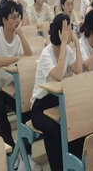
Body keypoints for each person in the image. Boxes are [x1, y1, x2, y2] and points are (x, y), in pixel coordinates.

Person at [0, 1, 35, 169]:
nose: (17, 20)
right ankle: (11, 152)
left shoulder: (17, 36)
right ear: (4, 20)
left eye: (18, 16)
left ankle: (27, 154)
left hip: (10, 87)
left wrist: (21, 34)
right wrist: (16, 59)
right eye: (13, 17)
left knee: (25, 106)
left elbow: (29, 56)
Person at [31, 13, 83, 171]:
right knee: (54, 129)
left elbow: (79, 70)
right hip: (40, 106)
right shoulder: (46, 53)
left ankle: (74, 163)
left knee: (77, 121)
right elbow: (59, 75)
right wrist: (64, 43)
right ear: (60, 33)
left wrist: (76, 43)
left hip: (58, 100)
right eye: (67, 29)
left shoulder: (67, 49)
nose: (69, 32)